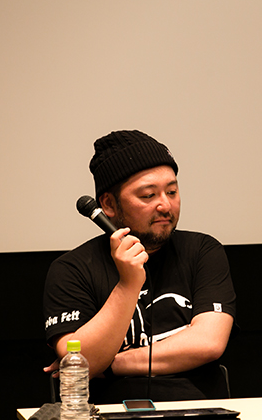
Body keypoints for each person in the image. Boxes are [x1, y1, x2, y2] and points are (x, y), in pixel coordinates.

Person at [43, 130, 236, 403]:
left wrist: (111, 363)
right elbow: (81, 361)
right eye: (148, 195)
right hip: (109, 411)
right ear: (108, 204)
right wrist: (128, 284)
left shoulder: (202, 251)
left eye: (172, 191)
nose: (165, 205)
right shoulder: (72, 269)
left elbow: (208, 342)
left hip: (199, 406)